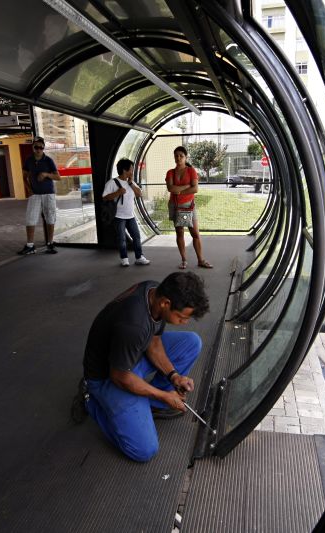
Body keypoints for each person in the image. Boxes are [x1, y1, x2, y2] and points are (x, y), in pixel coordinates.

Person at [80, 271, 210, 462]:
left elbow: (154, 341)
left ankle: (152, 405)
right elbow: (120, 377)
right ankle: (90, 399)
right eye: (182, 317)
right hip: (108, 377)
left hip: (130, 356)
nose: (185, 322)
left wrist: (174, 376)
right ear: (166, 303)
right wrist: (165, 395)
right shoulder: (134, 325)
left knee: (191, 342)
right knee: (144, 450)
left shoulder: (154, 291)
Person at [165, 146, 212, 270]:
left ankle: (201, 260)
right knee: (179, 232)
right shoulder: (170, 172)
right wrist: (186, 186)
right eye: (176, 155)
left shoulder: (191, 171)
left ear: (186, 157)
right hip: (175, 206)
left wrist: (179, 190)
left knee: (195, 234)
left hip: (188, 207)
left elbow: (195, 189)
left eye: (181, 155)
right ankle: (184, 260)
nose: (178, 158)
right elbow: (171, 189)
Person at [102, 158, 150, 267]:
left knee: (136, 236)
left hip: (130, 216)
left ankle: (139, 257)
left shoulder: (131, 182)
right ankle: (124, 258)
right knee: (122, 238)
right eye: (131, 169)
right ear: (124, 170)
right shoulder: (112, 183)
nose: (132, 171)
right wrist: (118, 192)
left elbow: (139, 194)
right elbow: (105, 198)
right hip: (118, 216)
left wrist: (131, 183)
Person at [18, 138, 60, 255]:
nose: (39, 150)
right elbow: (24, 176)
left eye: (41, 147)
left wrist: (46, 174)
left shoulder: (48, 161)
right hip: (35, 194)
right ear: (33, 147)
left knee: (50, 218)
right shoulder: (29, 160)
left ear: (43, 148)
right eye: (36, 147)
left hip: (48, 194)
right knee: (30, 218)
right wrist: (29, 189)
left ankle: (50, 244)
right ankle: (30, 245)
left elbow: (58, 177)